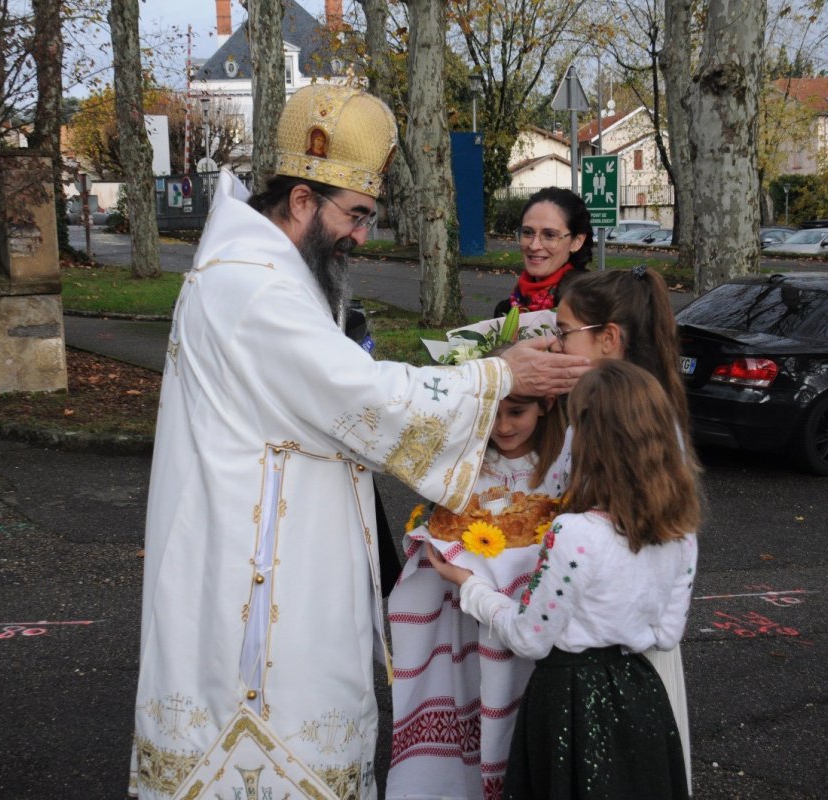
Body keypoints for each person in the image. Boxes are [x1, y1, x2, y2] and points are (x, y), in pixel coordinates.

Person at [129, 84, 592, 800]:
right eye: (356, 216)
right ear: (303, 201)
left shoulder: (267, 268)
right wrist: (496, 376)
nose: (362, 237)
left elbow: (336, 385)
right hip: (260, 566)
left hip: (280, 533)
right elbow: (359, 394)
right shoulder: (253, 286)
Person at [427, 360, 700, 799]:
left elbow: (529, 638)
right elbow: (666, 634)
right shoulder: (681, 534)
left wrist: (470, 585)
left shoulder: (575, 534)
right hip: (640, 699)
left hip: (569, 703)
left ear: (590, 441)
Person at [550, 264, 700, 792]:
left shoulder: (615, 424)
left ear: (608, 339)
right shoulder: (637, 409)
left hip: (615, 650)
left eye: (565, 331)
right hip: (638, 634)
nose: (556, 343)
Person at [386, 374, 570, 799]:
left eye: (516, 412)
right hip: (467, 617)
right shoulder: (465, 466)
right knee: (470, 697)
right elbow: (437, 528)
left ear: (544, 407)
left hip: (532, 613)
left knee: (518, 709)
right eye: (493, 414)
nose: (503, 426)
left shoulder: (561, 464)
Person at [493, 187, 595, 318]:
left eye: (550, 235)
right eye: (527, 232)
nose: (534, 246)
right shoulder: (506, 310)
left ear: (577, 241)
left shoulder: (589, 307)